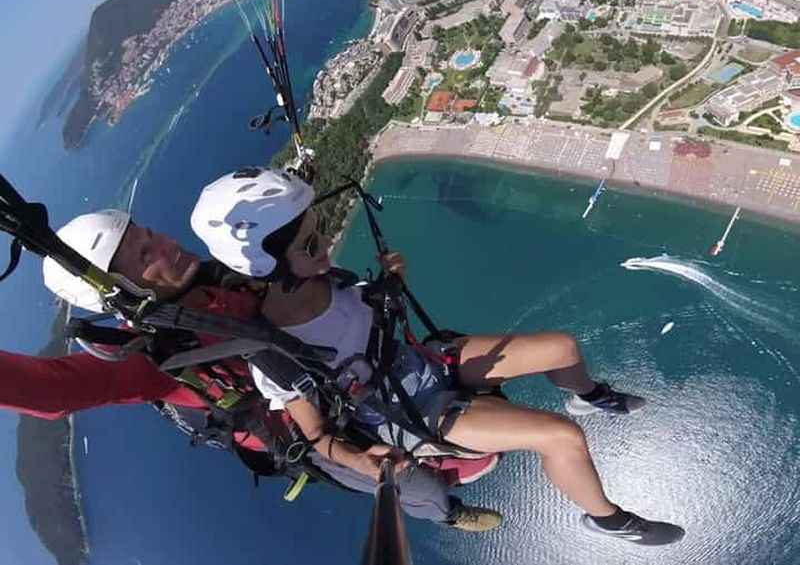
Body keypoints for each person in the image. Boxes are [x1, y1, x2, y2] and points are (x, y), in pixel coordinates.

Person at [191, 167, 686, 546]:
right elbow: (315, 434)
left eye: (320, 233)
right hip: (407, 411)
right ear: (269, 263)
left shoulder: (331, 280)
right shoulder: (275, 356)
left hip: (424, 364)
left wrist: (390, 284)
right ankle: (608, 520)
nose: (324, 249)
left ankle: (588, 395)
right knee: (560, 438)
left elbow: (367, 319)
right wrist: (360, 462)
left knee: (562, 347)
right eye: (311, 243)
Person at [1, 207, 501, 532]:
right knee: (407, 479)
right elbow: (52, 391)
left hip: (338, 372)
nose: (166, 245)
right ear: (124, 293)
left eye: (150, 232)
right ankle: (449, 512)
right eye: (144, 255)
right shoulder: (152, 360)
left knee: (450, 358)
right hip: (309, 431)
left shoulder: (224, 274)